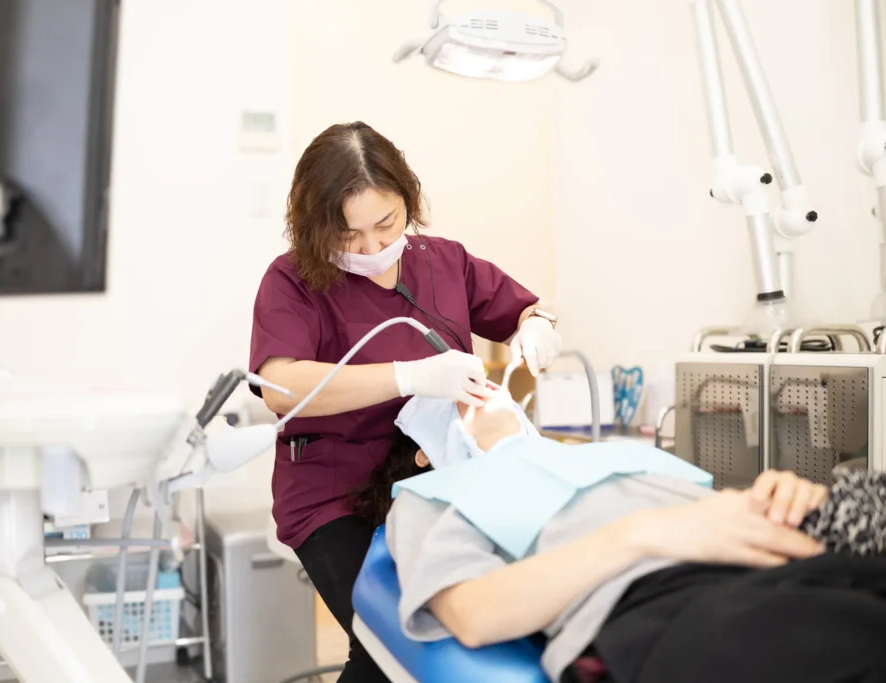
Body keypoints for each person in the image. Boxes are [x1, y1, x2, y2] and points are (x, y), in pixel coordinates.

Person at [249, 121, 562, 682]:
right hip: (336, 496)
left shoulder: (445, 262)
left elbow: (522, 310)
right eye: (348, 233)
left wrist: (537, 324)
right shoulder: (291, 281)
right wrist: (409, 376)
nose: (371, 247)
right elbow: (279, 386)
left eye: (386, 224)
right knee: (385, 643)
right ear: (315, 224)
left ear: (408, 199)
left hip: (437, 486)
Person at [350, 393, 886, 683]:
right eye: (458, 395)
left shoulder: (602, 454)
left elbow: (715, 517)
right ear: (424, 451)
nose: (481, 387)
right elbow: (473, 615)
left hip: (793, 557)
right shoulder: (432, 496)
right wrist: (643, 535)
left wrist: (786, 495)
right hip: (673, 604)